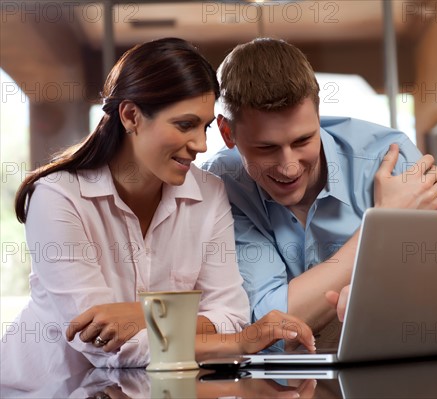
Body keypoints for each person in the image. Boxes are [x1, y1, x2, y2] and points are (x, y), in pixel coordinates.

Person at [0, 38, 314, 392]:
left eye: (205, 126)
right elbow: (106, 347)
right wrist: (236, 343)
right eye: (184, 125)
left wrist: (136, 316)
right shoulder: (58, 198)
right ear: (131, 116)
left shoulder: (208, 194)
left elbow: (229, 316)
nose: (201, 144)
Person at [203, 38, 437, 339]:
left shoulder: (392, 161)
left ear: (318, 118)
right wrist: (383, 225)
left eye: (302, 141)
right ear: (228, 133)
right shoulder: (222, 184)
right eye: (266, 148)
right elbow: (268, 326)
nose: (288, 166)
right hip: (280, 383)